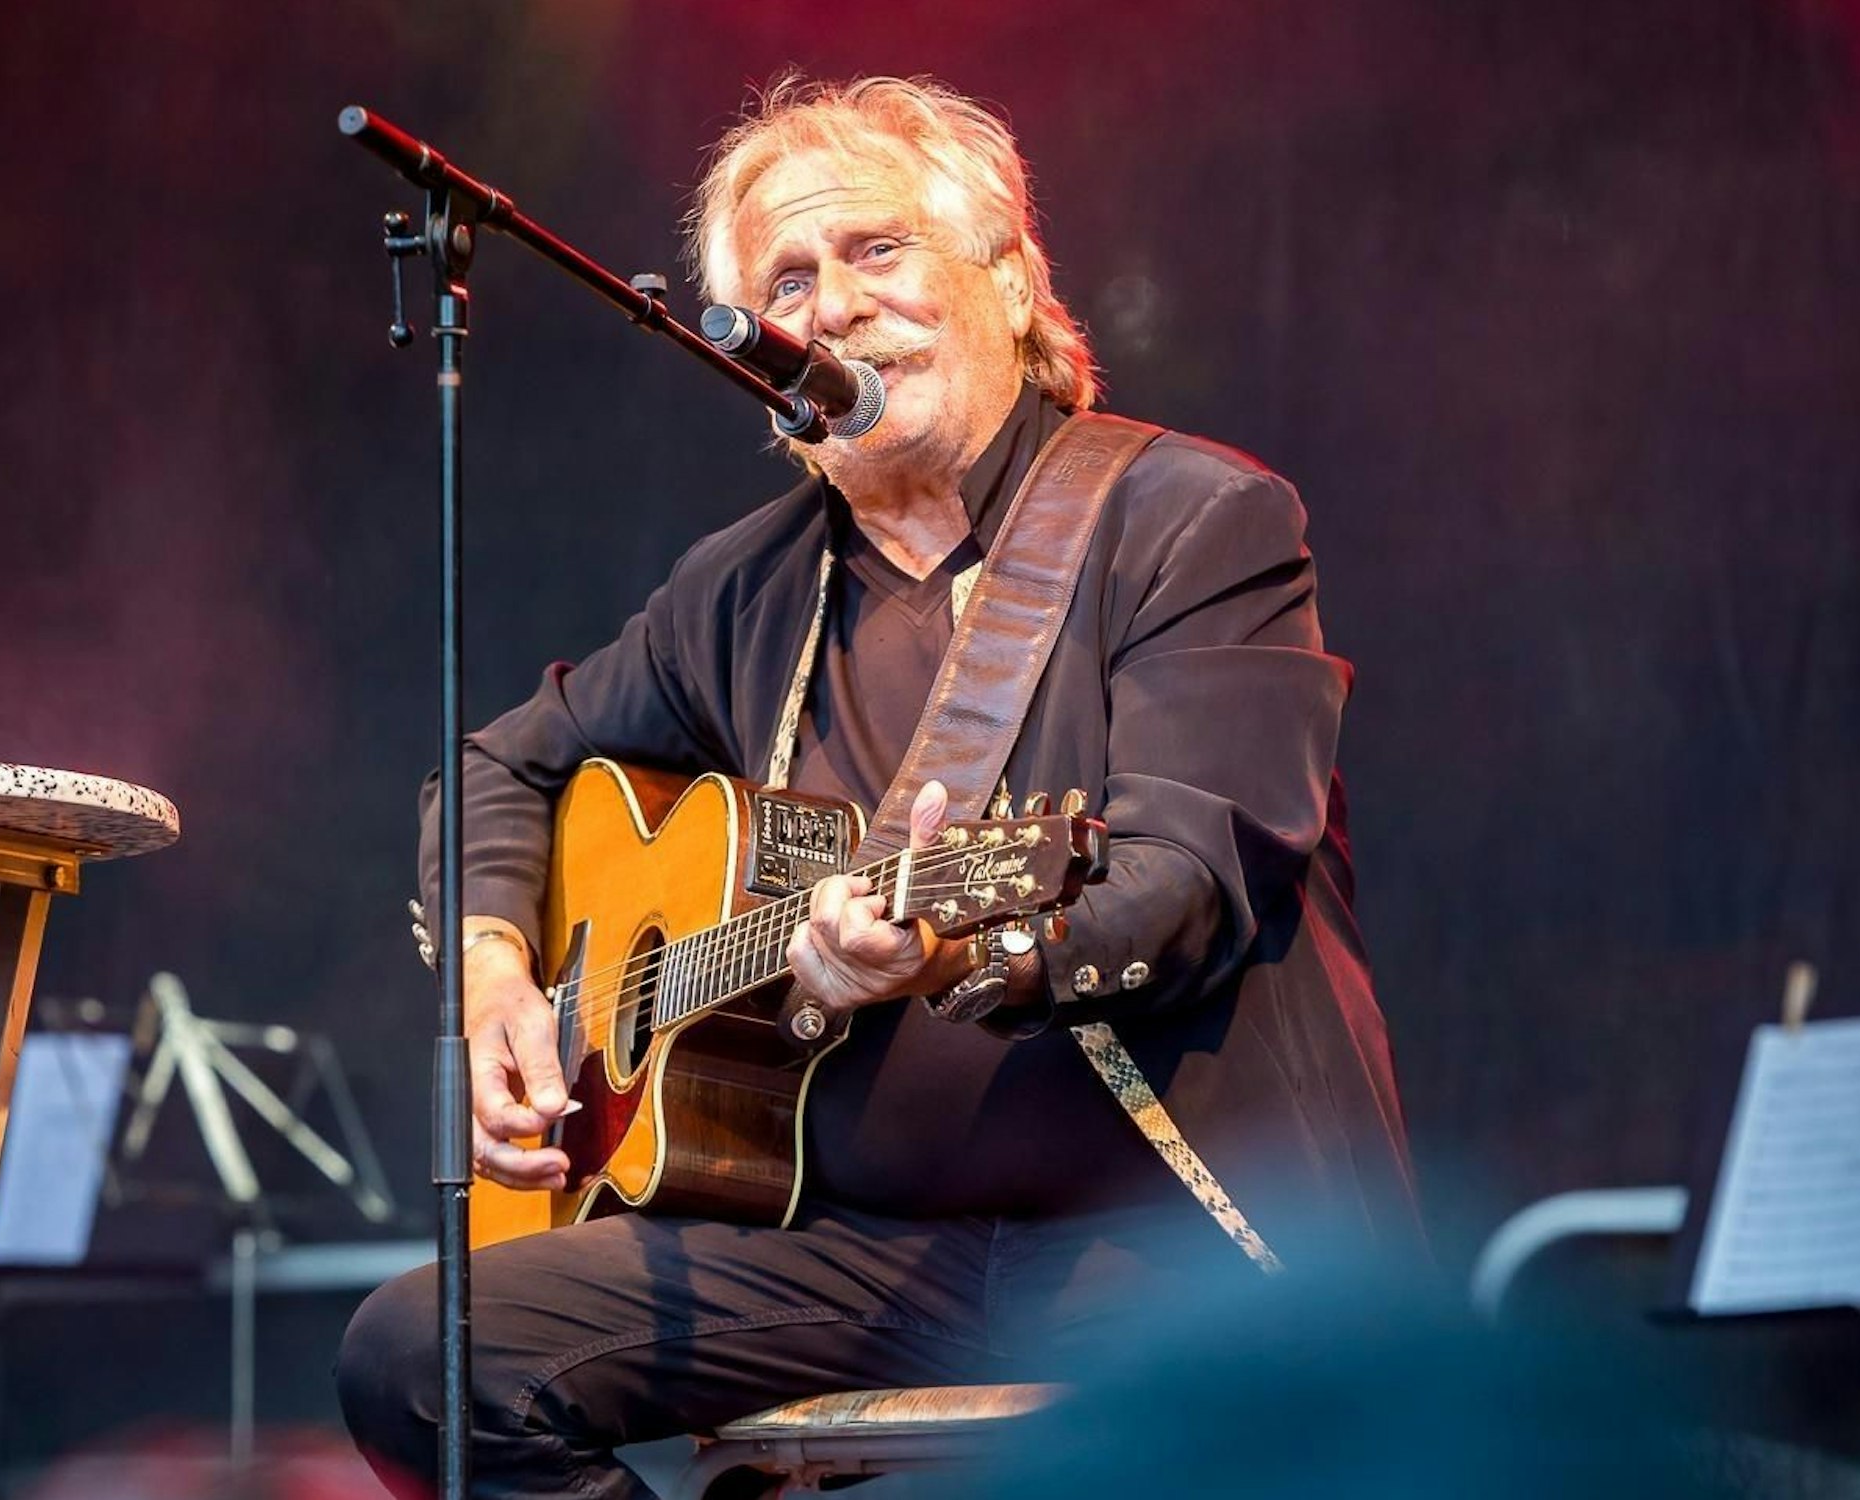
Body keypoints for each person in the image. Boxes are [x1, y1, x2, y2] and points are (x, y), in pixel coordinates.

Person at [337, 74, 1421, 1500]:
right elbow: (500, 763)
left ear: (1014, 287)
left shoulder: (1190, 519)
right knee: (423, 1356)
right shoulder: (740, 588)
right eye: (788, 279)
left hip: (1160, 1235)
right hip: (850, 1246)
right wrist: (489, 977)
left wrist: (953, 944)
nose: (830, 308)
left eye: (876, 251)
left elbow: (1187, 871)